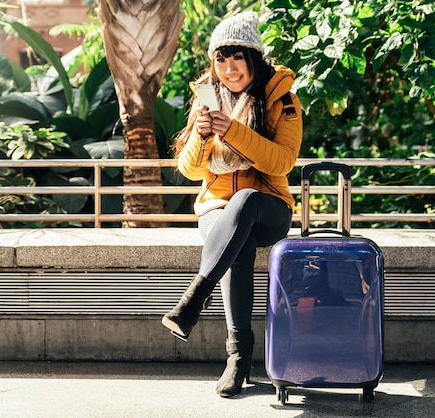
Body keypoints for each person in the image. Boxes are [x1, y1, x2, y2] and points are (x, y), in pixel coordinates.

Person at [161, 11, 303, 398]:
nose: (228, 68)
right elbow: (190, 170)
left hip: (268, 206)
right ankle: (238, 358)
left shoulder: (281, 97)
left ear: (253, 57)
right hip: (216, 210)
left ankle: (194, 298)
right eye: (220, 59)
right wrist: (203, 136)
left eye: (236, 57)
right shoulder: (207, 97)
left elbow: (283, 161)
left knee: (243, 202)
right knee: (231, 234)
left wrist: (234, 131)